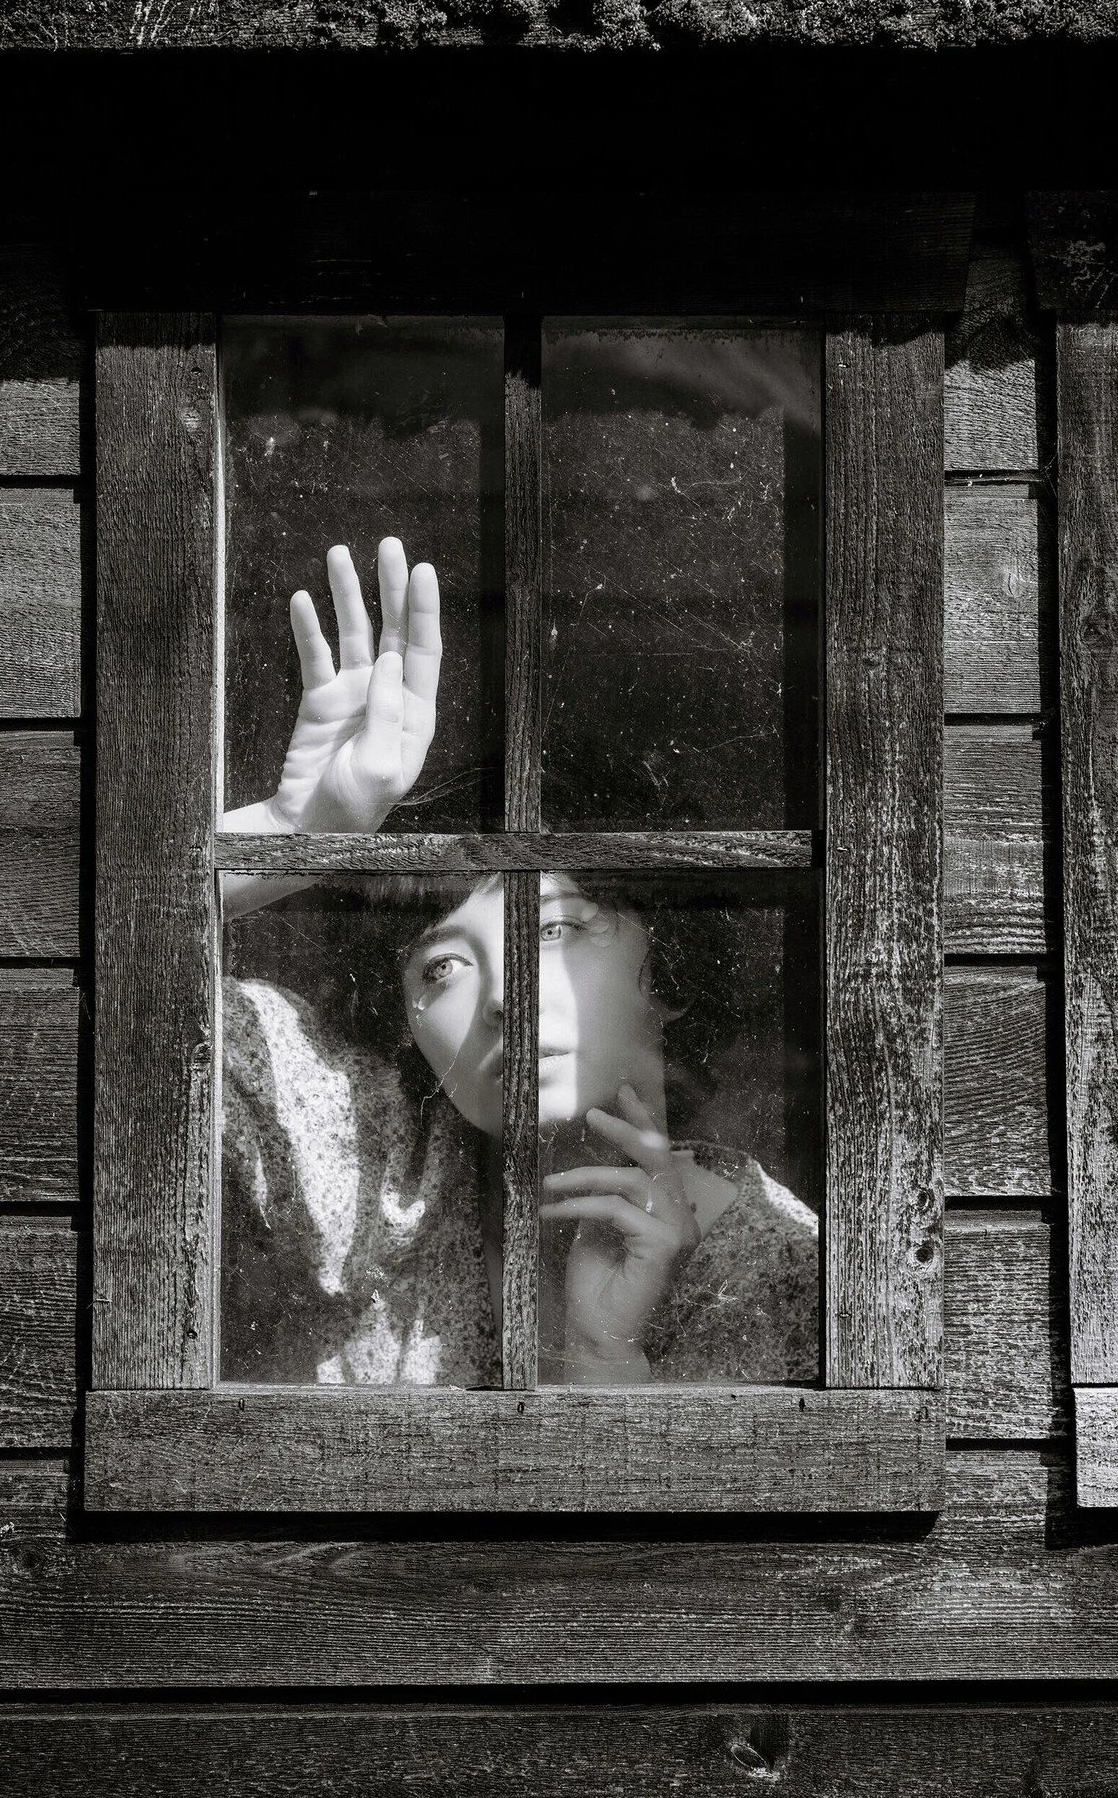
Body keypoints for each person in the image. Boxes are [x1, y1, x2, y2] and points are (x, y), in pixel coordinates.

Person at [220, 538, 817, 1387]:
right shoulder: (368, 1166)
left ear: (674, 966)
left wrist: (605, 1354)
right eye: (441, 969)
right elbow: (122, 1006)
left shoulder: (782, 1269)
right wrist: (291, 834)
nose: (509, 1000)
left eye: (552, 930)